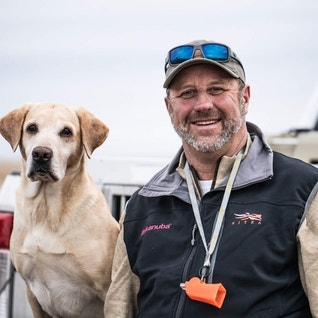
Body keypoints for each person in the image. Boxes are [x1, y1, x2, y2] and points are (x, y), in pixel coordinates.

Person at [104, 40, 318, 317]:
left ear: (245, 98)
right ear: (169, 107)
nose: (203, 104)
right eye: (187, 93)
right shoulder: (142, 207)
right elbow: (119, 309)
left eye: (217, 89)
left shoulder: (304, 190)